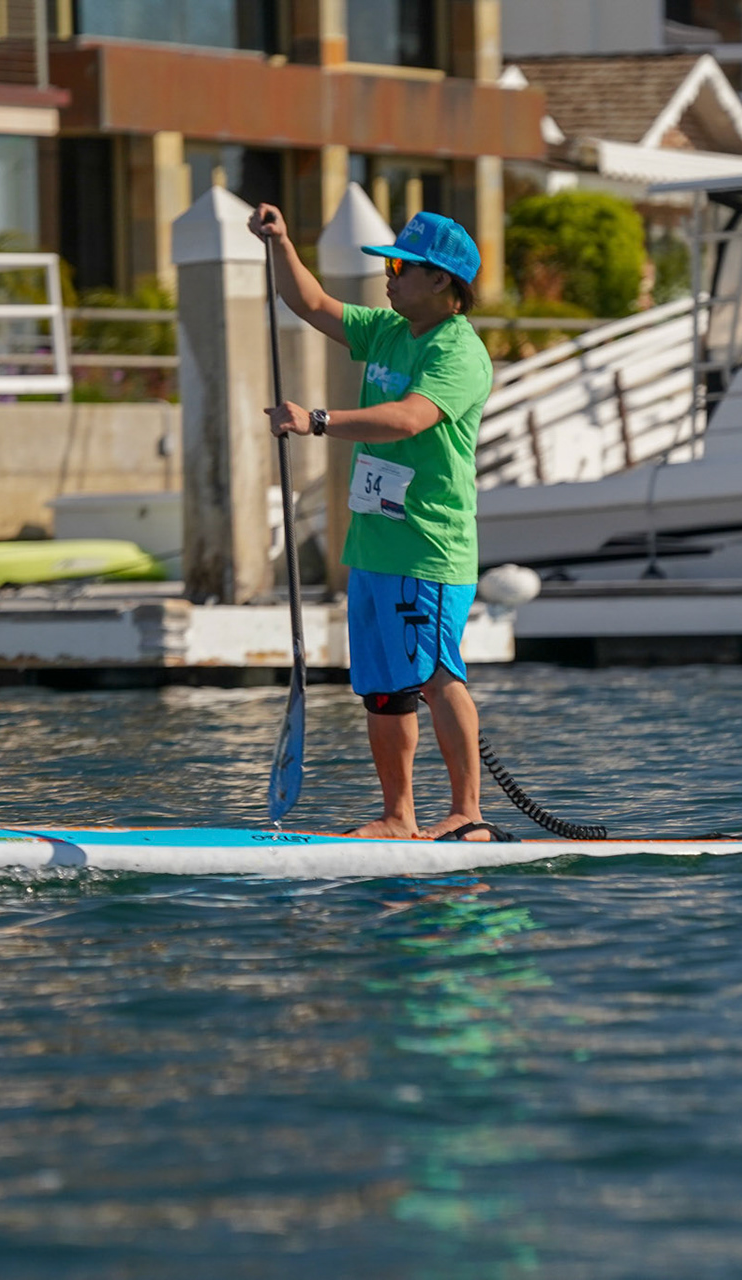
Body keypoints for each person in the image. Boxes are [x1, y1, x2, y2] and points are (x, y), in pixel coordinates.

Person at [249, 202, 501, 842]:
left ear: (441, 281)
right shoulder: (388, 331)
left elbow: (412, 418)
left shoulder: (459, 352)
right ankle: (398, 817)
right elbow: (309, 304)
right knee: (385, 692)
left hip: (427, 550)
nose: (387, 276)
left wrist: (318, 421)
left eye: (399, 267)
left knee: (437, 678)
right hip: (374, 547)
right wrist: (280, 240)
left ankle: (468, 815)